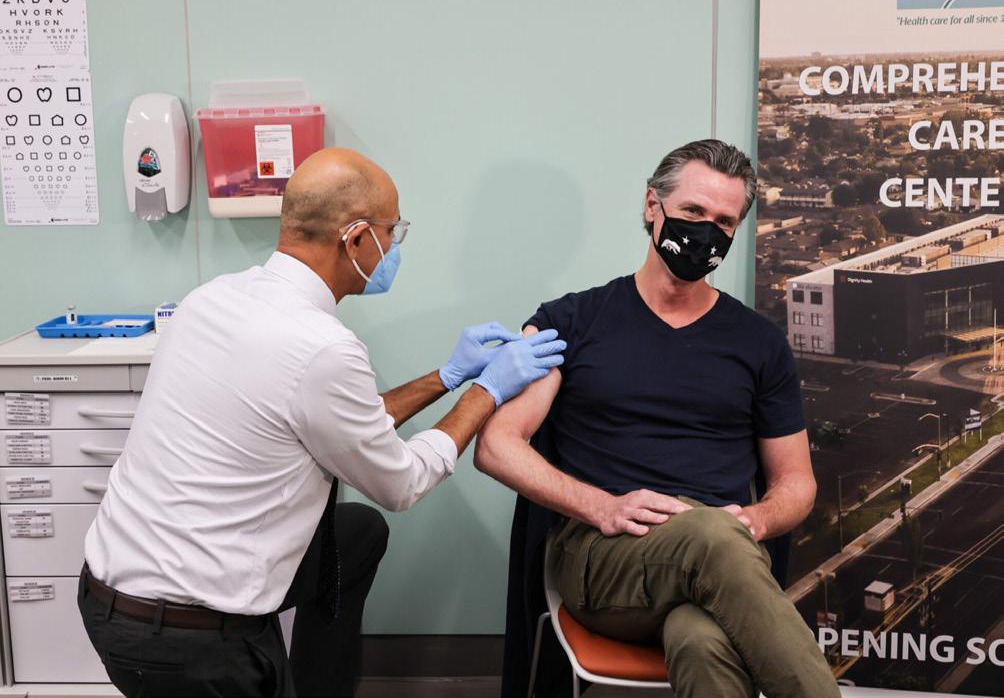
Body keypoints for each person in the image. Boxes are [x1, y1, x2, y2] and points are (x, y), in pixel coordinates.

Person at [78, 147, 566, 698]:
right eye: (393, 231)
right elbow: (401, 483)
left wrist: (446, 376)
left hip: (104, 599)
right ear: (356, 239)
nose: (394, 247)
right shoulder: (323, 347)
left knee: (355, 536)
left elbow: (338, 421)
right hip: (192, 645)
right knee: (367, 519)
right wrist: (487, 390)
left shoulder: (211, 299)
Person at [476, 140, 840, 698]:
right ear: (653, 206)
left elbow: (796, 482)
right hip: (603, 555)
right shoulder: (569, 321)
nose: (706, 232)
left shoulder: (760, 342)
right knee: (712, 539)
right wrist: (601, 506)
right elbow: (497, 445)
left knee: (702, 640)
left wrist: (753, 522)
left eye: (724, 222)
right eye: (693, 211)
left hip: (719, 553)